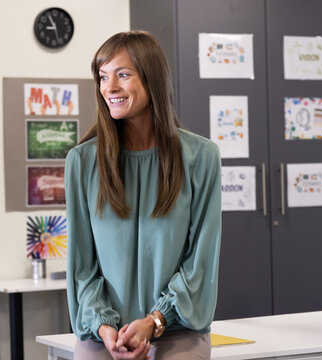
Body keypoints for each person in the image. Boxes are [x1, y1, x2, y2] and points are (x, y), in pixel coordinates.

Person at [64, 30, 221, 360]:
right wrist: (106, 329)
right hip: (102, 334)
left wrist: (154, 321)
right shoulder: (82, 162)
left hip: (175, 328)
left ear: (152, 80)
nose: (110, 88)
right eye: (104, 77)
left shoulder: (201, 157)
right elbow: (83, 267)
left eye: (123, 75)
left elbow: (200, 262)